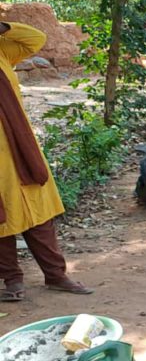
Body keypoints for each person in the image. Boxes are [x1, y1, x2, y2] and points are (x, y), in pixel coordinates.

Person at [0, 18, 92, 301]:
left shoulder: (2, 51)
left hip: (20, 148)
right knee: (2, 219)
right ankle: (13, 281)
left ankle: (56, 275)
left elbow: (35, 39)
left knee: (40, 214)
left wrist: (3, 27)